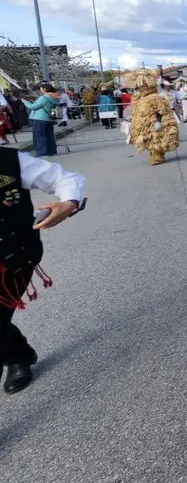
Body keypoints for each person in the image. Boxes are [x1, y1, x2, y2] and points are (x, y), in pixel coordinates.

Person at [0, 148, 85, 393]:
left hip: (11, 263)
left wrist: (69, 202)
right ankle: (18, 354)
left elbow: (65, 179)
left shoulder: (8, 161)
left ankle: (17, 355)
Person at [129, 70, 180, 165]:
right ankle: (153, 154)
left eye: (143, 86)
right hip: (144, 124)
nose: (141, 88)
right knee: (148, 140)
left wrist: (158, 121)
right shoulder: (140, 99)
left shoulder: (156, 97)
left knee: (156, 139)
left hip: (155, 122)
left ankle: (157, 156)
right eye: (139, 87)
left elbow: (161, 110)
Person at [24, 84, 60, 157]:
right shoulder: (55, 96)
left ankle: (42, 152)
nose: (40, 90)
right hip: (49, 118)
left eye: (41, 89)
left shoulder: (44, 98)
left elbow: (33, 107)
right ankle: (52, 151)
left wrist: (25, 102)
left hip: (39, 118)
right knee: (49, 136)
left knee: (39, 136)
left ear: (45, 89)